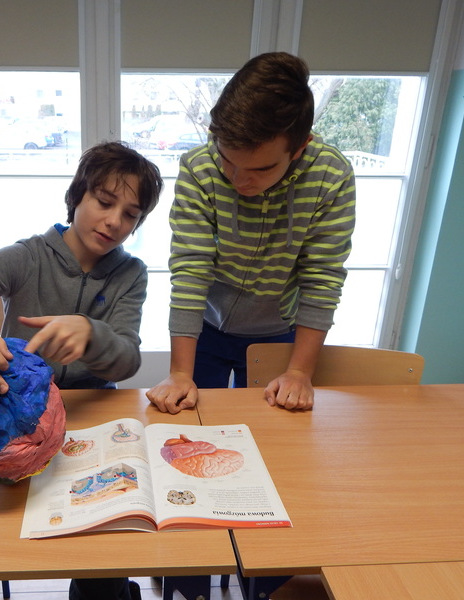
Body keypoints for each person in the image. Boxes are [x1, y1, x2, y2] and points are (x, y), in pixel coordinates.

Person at [0, 141, 161, 600]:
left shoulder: (131, 274)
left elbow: (128, 359)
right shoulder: (24, 257)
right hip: (12, 422)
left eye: (131, 215)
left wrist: (92, 333)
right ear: (77, 195)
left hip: (92, 420)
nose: (114, 221)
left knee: (102, 554)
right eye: (104, 202)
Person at [146, 52, 356, 414]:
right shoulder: (199, 168)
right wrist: (179, 372)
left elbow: (321, 278)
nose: (239, 180)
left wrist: (300, 372)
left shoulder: (330, 176)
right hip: (205, 327)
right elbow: (191, 270)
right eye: (227, 160)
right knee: (192, 419)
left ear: (299, 148)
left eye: (260, 169)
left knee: (271, 429)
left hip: (279, 333)